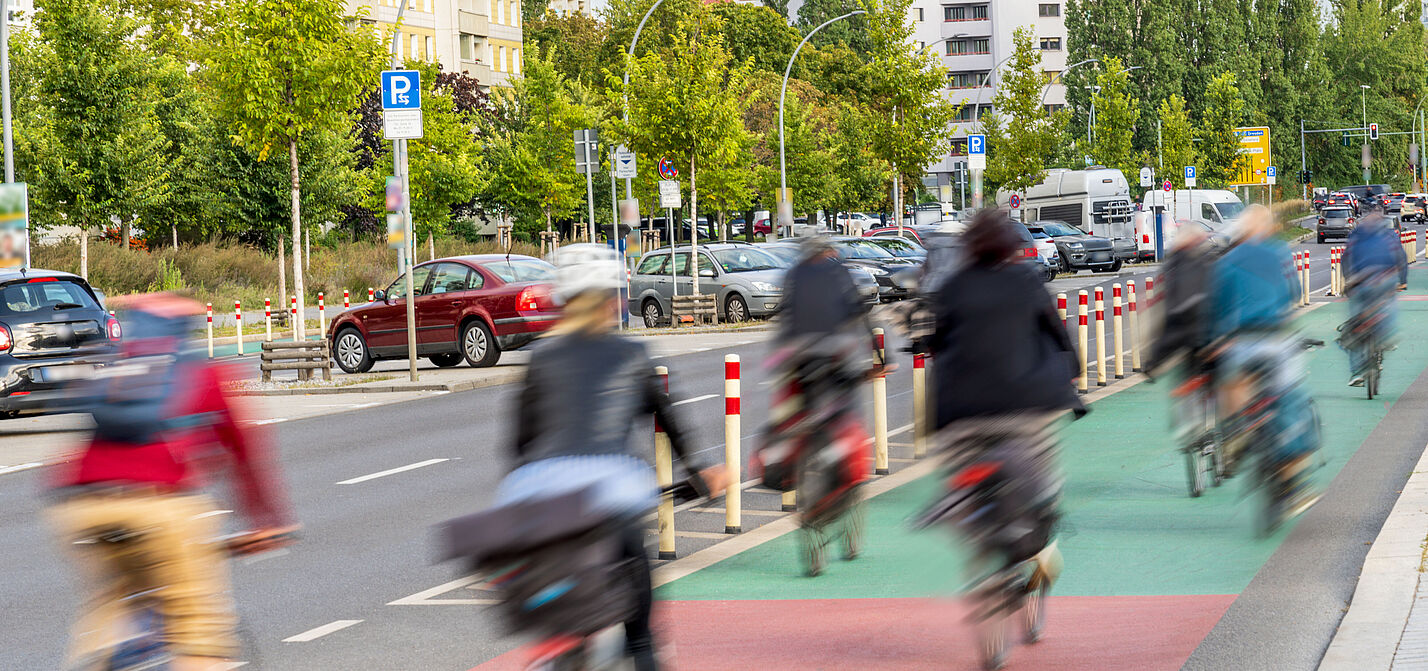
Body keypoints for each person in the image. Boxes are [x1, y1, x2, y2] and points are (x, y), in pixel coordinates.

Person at [48, 292, 296, 671]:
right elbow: (244, 452)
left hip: (81, 508)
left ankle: (102, 650)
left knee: (109, 607)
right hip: (160, 509)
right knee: (197, 622)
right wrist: (267, 522)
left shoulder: (116, 364)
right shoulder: (204, 374)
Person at [509, 245, 728, 671]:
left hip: (546, 492)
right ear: (612, 300)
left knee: (550, 589)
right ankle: (641, 649)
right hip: (611, 489)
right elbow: (669, 419)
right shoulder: (632, 354)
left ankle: (559, 645)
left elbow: (520, 444)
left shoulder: (540, 357)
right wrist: (699, 471)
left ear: (564, 300)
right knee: (636, 584)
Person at [926, 209, 1083, 592]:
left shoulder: (952, 287)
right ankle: (1043, 539)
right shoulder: (1025, 280)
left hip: (962, 414)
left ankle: (981, 559)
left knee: (960, 484)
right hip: (1023, 408)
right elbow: (1056, 332)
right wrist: (1073, 371)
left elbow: (936, 343)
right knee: (1043, 471)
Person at [1207, 204, 1317, 511]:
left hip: (1241, 343)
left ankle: (1236, 434)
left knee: (1230, 383)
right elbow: (1293, 294)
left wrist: (1215, 343)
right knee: (1293, 402)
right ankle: (1297, 485)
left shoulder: (1227, 261)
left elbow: (1217, 307)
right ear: (1267, 229)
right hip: (1277, 339)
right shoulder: (1279, 252)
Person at [1341, 199, 1406, 386]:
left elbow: (1346, 259)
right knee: (1389, 303)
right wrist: (1403, 281)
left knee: (1355, 324)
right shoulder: (1389, 235)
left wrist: (1349, 280)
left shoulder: (1355, 235)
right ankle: (1388, 336)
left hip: (1360, 281)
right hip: (1385, 278)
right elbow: (1400, 257)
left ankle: (1356, 372)